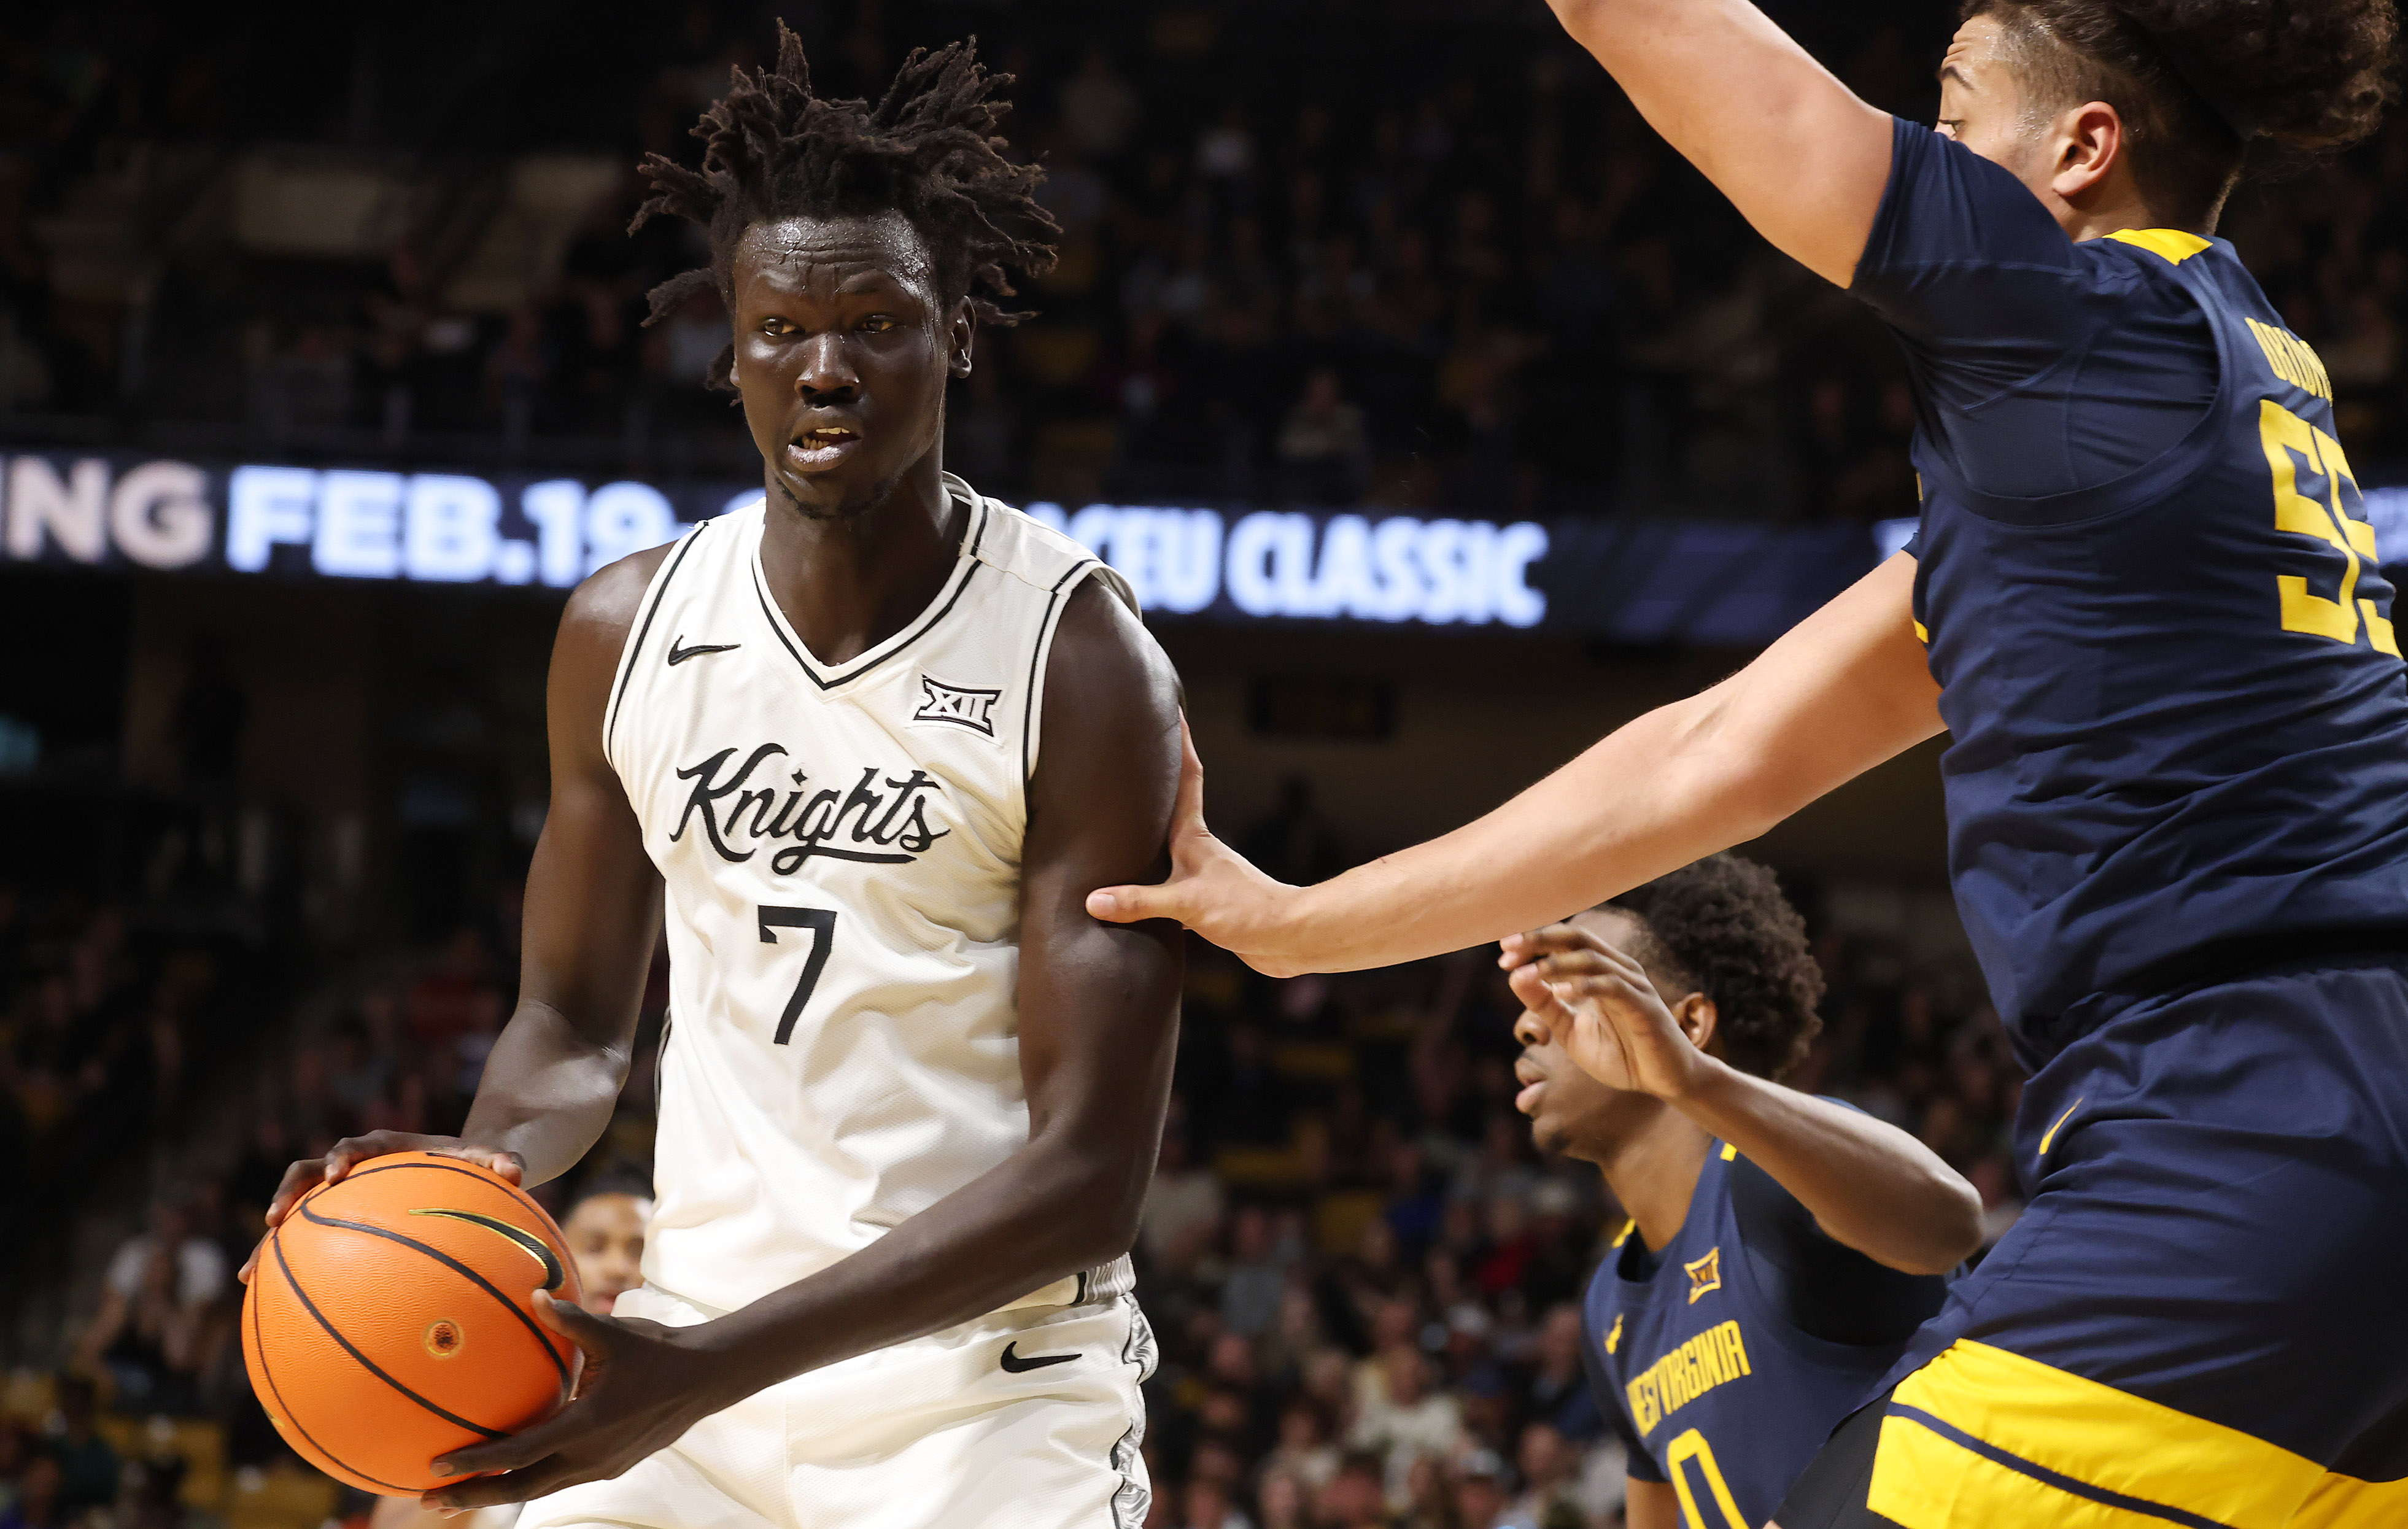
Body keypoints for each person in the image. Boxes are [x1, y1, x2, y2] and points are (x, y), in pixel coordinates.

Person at [1087, 0, 2408, 1522]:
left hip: (2244, 1130)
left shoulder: (2070, 313)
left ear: (2078, 151)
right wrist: (1296, 922)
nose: (1927, 148)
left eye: (1954, 111)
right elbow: (1700, 756)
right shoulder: (2172, 423)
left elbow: (1678, 49)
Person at [246, 28, 1183, 1529]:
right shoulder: (622, 632)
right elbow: (564, 1022)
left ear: (953, 337)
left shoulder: (1076, 661)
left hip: (982, 1385)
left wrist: (700, 1365)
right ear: (729, 348)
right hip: (692, 1348)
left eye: (876, 321)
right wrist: (475, 1168)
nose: (825, 368)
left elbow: (1087, 1174)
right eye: (780, 326)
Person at [1512, 860, 1977, 1529]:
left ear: (1688, 1023)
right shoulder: (1607, 1309)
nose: (1528, 1025)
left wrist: (1690, 1080)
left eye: (1570, 989)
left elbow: (1949, 1224)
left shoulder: (1773, 1180)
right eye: (1528, 1002)